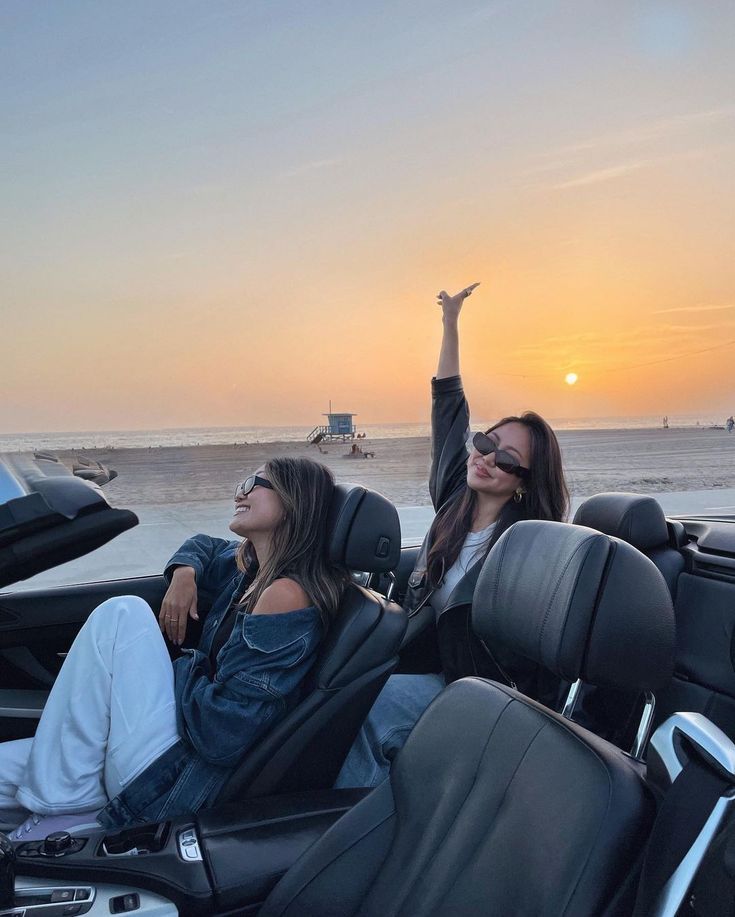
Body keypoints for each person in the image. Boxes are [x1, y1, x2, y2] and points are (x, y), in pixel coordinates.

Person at [0, 457, 347, 840]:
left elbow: (223, 733)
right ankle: (64, 798)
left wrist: (180, 665)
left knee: (123, 613)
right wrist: (184, 574)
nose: (241, 490)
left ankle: (63, 810)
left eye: (255, 482)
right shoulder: (249, 569)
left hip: (178, 776)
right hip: (172, 747)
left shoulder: (285, 594)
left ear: (292, 502)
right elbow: (204, 544)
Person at [336, 283, 570, 788]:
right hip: (424, 659)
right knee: (338, 691)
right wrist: (450, 321)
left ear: (526, 482)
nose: (487, 457)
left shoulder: (530, 547)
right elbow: (448, 405)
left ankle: (350, 830)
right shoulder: (453, 501)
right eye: (487, 442)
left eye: (507, 458)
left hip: (479, 690)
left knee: (374, 712)